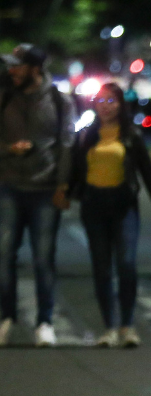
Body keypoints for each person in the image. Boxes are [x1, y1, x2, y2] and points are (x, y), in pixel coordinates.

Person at [69, 83, 151, 347]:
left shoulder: (131, 136)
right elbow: (74, 171)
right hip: (94, 206)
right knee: (102, 268)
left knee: (126, 264)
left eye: (111, 100)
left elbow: (149, 176)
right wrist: (64, 192)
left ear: (120, 104)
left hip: (124, 207)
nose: (105, 105)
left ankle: (128, 326)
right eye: (101, 100)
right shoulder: (86, 136)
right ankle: (109, 328)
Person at [0, 43, 75, 348]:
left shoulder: (58, 100)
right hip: (8, 186)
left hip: (45, 190)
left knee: (43, 258)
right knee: (4, 255)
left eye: (17, 66)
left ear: (35, 69)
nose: (11, 71)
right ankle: (7, 317)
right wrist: (8, 149)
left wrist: (63, 185)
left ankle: (44, 322)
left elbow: (67, 145)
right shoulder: (4, 96)